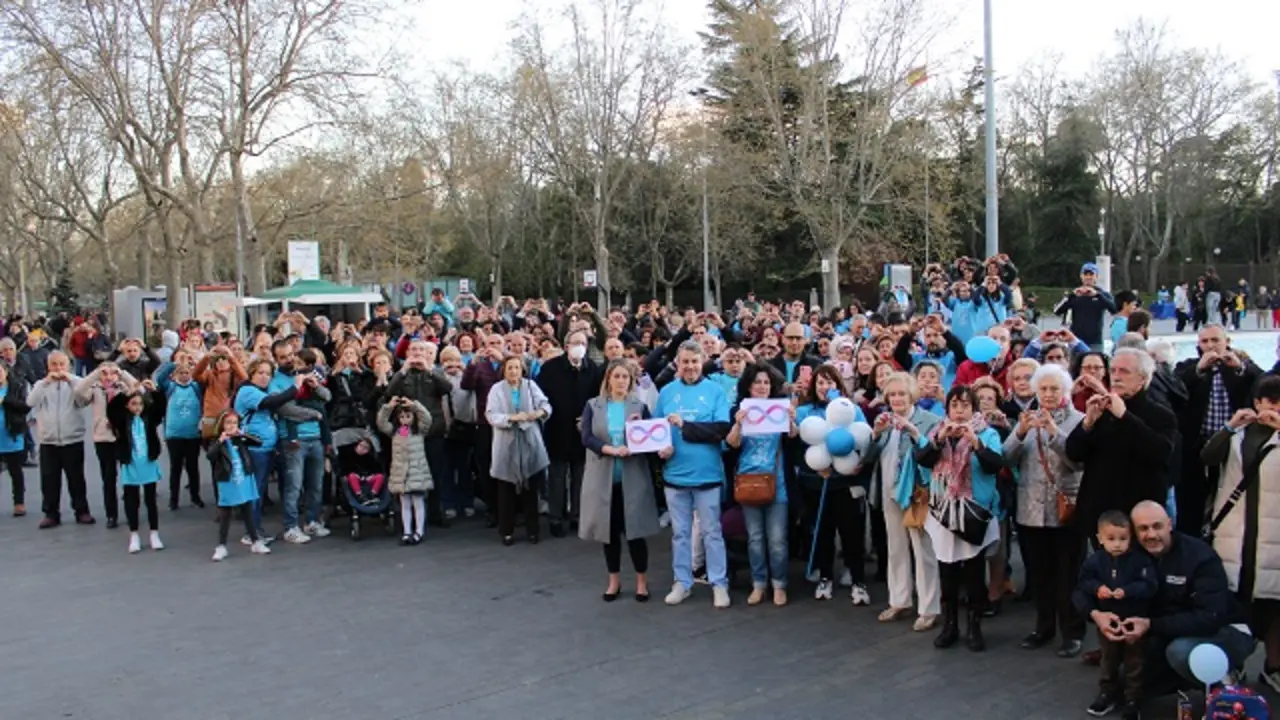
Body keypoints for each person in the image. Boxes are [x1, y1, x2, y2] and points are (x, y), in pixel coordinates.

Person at [1114, 502, 1253, 698]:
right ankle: (1185, 678)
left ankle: (1225, 682)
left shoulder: (1199, 556)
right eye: (1143, 529)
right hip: (1172, 631)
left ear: (1170, 524)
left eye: (1157, 526)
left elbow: (1210, 617)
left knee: (1179, 653)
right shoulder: (1131, 556)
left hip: (1226, 630)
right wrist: (1098, 614)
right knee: (1125, 684)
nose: (1151, 535)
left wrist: (1151, 625)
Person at [1202, 376, 1280, 689]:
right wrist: (1229, 427)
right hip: (1236, 530)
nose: (1273, 408)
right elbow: (1207, 457)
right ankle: (1234, 664)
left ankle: (1273, 666)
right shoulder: (1239, 434)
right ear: (1257, 402)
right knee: (1235, 603)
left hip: (1273, 532)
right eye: (1269, 401)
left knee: (1274, 604)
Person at [1004, 364, 1087, 658]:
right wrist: (1020, 431)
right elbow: (1005, 458)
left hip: (1066, 510)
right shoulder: (1028, 419)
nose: (1049, 394)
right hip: (1030, 510)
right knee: (1039, 574)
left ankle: (1072, 632)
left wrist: (1053, 432)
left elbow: (1078, 461)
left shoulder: (1079, 421)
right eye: (1043, 389)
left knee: (1069, 575)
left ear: (1065, 391)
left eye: (1054, 389)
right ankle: (1043, 627)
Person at [915, 385, 1004, 652]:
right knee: (948, 572)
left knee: (974, 572)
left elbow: (995, 465)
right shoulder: (937, 431)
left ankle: (974, 626)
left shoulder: (987, 432)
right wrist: (939, 440)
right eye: (955, 405)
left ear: (974, 408)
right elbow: (923, 460)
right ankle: (950, 625)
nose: (959, 410)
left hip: (974, 510)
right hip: (943, 509)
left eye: (965, 405)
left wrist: (975, 442)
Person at [862, 371, 943, 631]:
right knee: (895, 548)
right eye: (892, 394)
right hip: (888, 492)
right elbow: (868, 458)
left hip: (916, 493)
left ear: (912, 395)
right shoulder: (884, 420)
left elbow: (933, 456)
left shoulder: (930, 420)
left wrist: (913, 432)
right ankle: (899, 600)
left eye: (902, 394)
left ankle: (929, 608)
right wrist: (876, 434)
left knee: (923, 550)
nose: (897, 399)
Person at [1067, 349, 1177, 536]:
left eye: (1124, 371)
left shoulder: (1160, 414)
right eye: (1113, 370)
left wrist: (1125, 417)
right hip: (1099, 511)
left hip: (1138, 512)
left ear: (1142, 379)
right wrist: (1087, 424)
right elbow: (1074, 453)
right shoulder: (1101, 410)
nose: (1116, 377)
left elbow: (1161, 453)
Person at [657, 341, 732, 608]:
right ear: (677, 363)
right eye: (685, 361)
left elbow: (720, 430)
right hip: (675, 475)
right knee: (680, 534)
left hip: (707, 475)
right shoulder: (666, 392)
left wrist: (686, 426)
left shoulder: (715, 391)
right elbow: (657, 429)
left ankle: (719, 583)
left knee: (712, 532)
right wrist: (660, 448)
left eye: (694, 361)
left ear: (702, 362)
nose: (690, 367)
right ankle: (682, 582)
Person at [579, 360, 660, 602]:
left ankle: (641, 582)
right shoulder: (593, 405)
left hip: (632, 477)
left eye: (625, 377)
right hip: (603, 478)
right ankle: (613, 581)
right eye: (617, 376)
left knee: (635, 532)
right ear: (608, 379)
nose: (621, 381)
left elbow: (651, 440)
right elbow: (587, 437)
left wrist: (638, 431)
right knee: (609, 533)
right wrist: (610, 450)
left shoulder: (639, 406)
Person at [1173, 325, 1264, 536]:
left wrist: (1239, 367)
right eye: (1204, 341)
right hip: (1197, 444)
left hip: (1233, 442)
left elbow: (1262, 382)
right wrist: (1199, 370)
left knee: (1227, 494)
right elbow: (1176, 388)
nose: (1210, 346)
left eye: (1215, 340)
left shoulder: (1241, 367)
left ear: (1227, 342)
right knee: (1192, 500)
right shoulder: (1188, 367)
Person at [795, 365, 871, 605]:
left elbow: (864, 439)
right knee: (822, 532)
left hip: (846, 482)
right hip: (817, 483)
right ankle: (825, 577)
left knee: (852, 533)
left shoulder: (851, 409)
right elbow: (798, 445)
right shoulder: (804, 411)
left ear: (838, 385)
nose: (825, 387)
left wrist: (859, 465)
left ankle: (858, 581)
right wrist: (817, 467)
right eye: (820, 382)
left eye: (829, 382)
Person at [1073, 511, 1158, 719]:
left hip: (1133, 618)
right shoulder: (1095, 561)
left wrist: (1128, 591)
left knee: (1135, 661)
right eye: (1111, 539)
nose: (1117, 544)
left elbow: (1150, 585)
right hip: (1108, 619)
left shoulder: (1140, 560)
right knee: (1108, 659)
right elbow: (1083, 581)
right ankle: (1107, 692)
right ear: (1100, 538)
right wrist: (1097, 588)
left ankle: (1133, 698)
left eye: (1123, 539)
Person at [725, 363, 795, 607]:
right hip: (748, 481)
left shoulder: (779, 408)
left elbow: (793, 437)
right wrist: (738, 424)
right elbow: (732, 443)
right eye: (757, 382)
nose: (762, 386)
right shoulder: (740, 409)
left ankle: (779, 584)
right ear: (749, 386)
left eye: (766, 382)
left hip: (777, 483)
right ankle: (759, 584)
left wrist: (791, 420)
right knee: (755, 538)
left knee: (777, 540)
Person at [537, 330, 602, 538]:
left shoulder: (592, 369)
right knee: (557, 477)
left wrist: (588, 418)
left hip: (582, 431)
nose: (580, 346)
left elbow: (597, 398)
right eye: (576, 342)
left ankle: (576, 515)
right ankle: (556, 517)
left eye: (583, 343)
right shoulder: (550, 368)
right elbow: (541, 397)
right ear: (566, 346)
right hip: (557, 430)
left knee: (579, 476)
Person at [485, 355, 552, 546]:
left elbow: (545, 405)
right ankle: (506, 531)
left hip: (529, 440)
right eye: (510, 368)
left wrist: (538, 413)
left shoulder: (530, 385)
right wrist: (511, 418)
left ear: (522, 369)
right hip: (506, 441)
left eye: (516, 367)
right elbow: (491, 414)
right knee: (506, 490)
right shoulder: (496, 389)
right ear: (504, 370)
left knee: (531, 488)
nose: (513, 371)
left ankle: (533, 530)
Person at [29, 352, 94, 528]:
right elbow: (31, 401)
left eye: (61, 364)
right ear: (48, 366)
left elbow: (85, 399)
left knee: (76, 478)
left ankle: (82, 511)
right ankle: (51, 513)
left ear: (68, 366)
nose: (58, 368)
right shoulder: (41, 384)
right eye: (54, 364)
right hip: (48, 440)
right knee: (49, 480)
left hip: (72, 438)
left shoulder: (77, 382)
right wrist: (45, 382)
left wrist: (70, 379)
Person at [107, 382, 165, 553]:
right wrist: (125, 393)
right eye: (133, 404)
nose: (137, 407)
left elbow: (161, 407)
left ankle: (154, 533)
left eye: (140, 404)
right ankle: (134, 535)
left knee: (151, 500)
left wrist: (153, 391)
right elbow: (111, 410)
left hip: (148, 463)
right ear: (127, 406)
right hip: (131, 464)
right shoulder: (122, 421)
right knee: (132, 501)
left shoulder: (149, 419)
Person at [207, 411, 270, 561]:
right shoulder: (217, 440)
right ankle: (221, 546)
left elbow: (258, 442)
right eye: (228, 423)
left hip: (244, 478)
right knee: (225, 514)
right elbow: (210, 456)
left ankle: (255, 541)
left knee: (247, 510)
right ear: (222, 425)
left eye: (234, 423)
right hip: (227, 480)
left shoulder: (240, 439)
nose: (231, 426)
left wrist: (243, 434)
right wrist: (220, 441)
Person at [377, 396, 434, 545]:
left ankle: (419, 531)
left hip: (416, 471)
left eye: (408, 416)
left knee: (418, 502)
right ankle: (407, 531)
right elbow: (381, 423)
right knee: (405, 503)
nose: (405, 420)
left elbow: (427, 418)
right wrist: (389, 407)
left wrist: (414, 405)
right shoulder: (396, 431)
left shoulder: (419, 430)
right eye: (401, 417)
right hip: (401, 472)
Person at [154, 351, 207, 509]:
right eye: (181, 373)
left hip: (193, 434)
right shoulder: (170, 387)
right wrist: (174, 363)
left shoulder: (196, 387)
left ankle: (195, 496)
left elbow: (203, 374)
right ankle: (174, 499)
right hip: (174, 434)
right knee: (175, 468)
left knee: (193, 467)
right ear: (176, 374)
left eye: (187, 372)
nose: (184, 375)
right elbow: (160, 378)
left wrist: (195, 362)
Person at [1053, 263, 1117, 350]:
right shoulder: (1075, 294)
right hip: (1076, 341)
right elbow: (1057, 311)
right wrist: (1071, 296)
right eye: (1085, 274)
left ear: (1096, 277)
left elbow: (1114, 310)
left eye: (1091, 274)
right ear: (1081, 276)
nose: (1088, 277)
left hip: (1095, 342)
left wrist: (1098, 295)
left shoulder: (1103, 294)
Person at [0, 363, 29, 516]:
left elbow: (25, 407)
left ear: (5, 372)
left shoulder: (16, 386)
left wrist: (5, 401)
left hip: (11, 435)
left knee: (15, 471)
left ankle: (19, 502)